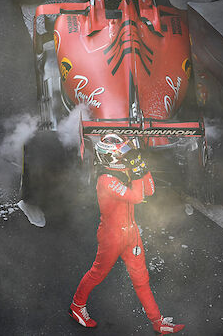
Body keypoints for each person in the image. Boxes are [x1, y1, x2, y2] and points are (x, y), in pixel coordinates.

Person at [69, 134, 185, 334]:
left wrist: (142, 168)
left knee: (142, 280)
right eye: (122, 154)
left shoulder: (125, 171)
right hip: (111, 237)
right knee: (97, 273)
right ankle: (77, 307)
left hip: (131, 234)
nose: (127, 157)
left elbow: (149, 191)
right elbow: (137, 197)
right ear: (110, 158)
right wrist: (138, 172)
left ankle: (158, 322)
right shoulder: (105, 180)